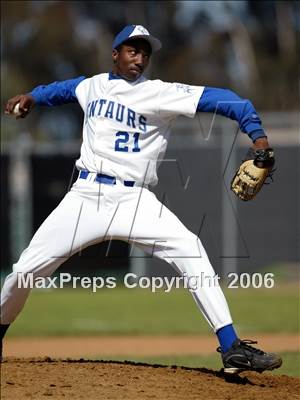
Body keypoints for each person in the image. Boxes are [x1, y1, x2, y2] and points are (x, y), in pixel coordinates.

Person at [1, 25, 282, 374]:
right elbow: (58, 91)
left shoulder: (159, 93)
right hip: (86, 196)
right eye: (132, 50)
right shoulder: (91, 86)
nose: (140, 57)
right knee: (26, 272)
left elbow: (230, 101)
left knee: (189, 249)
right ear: (115, 53)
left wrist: (258, 140)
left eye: (145, 52)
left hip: (134, 199)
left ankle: (231, 348)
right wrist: (31, 96)